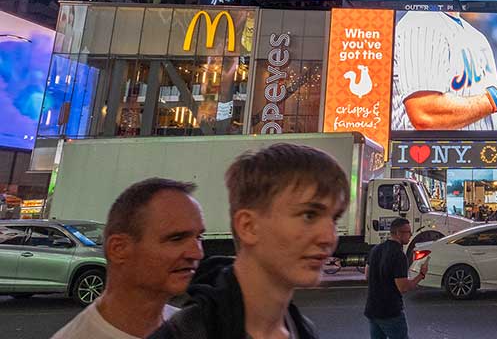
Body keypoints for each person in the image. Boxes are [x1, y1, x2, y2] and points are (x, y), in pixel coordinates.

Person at [150, 143, 350, 339]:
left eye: (334, 218)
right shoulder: (186, 333)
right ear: (248, 226)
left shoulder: (303, 329)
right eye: (309, 215)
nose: (329, 237)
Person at [52, 179, 205, 339]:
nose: (197, 253)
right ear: (119, 249)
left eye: (199, 237)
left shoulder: (190, 327)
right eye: (176, 238)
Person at [390, 11, 497, 131]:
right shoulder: (421, 24)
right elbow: (425, 114)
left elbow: (479, 115)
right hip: (425, 164)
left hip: (472, 162)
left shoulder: (476, 37)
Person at [365, 218, 428, 339]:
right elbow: (403, 287)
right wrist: (421, 275)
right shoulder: (399, 255)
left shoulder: (375, 249)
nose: (410, 235)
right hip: (390, 311)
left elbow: (367, 275)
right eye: (408, 232)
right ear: (398, 233)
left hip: (372, 310)